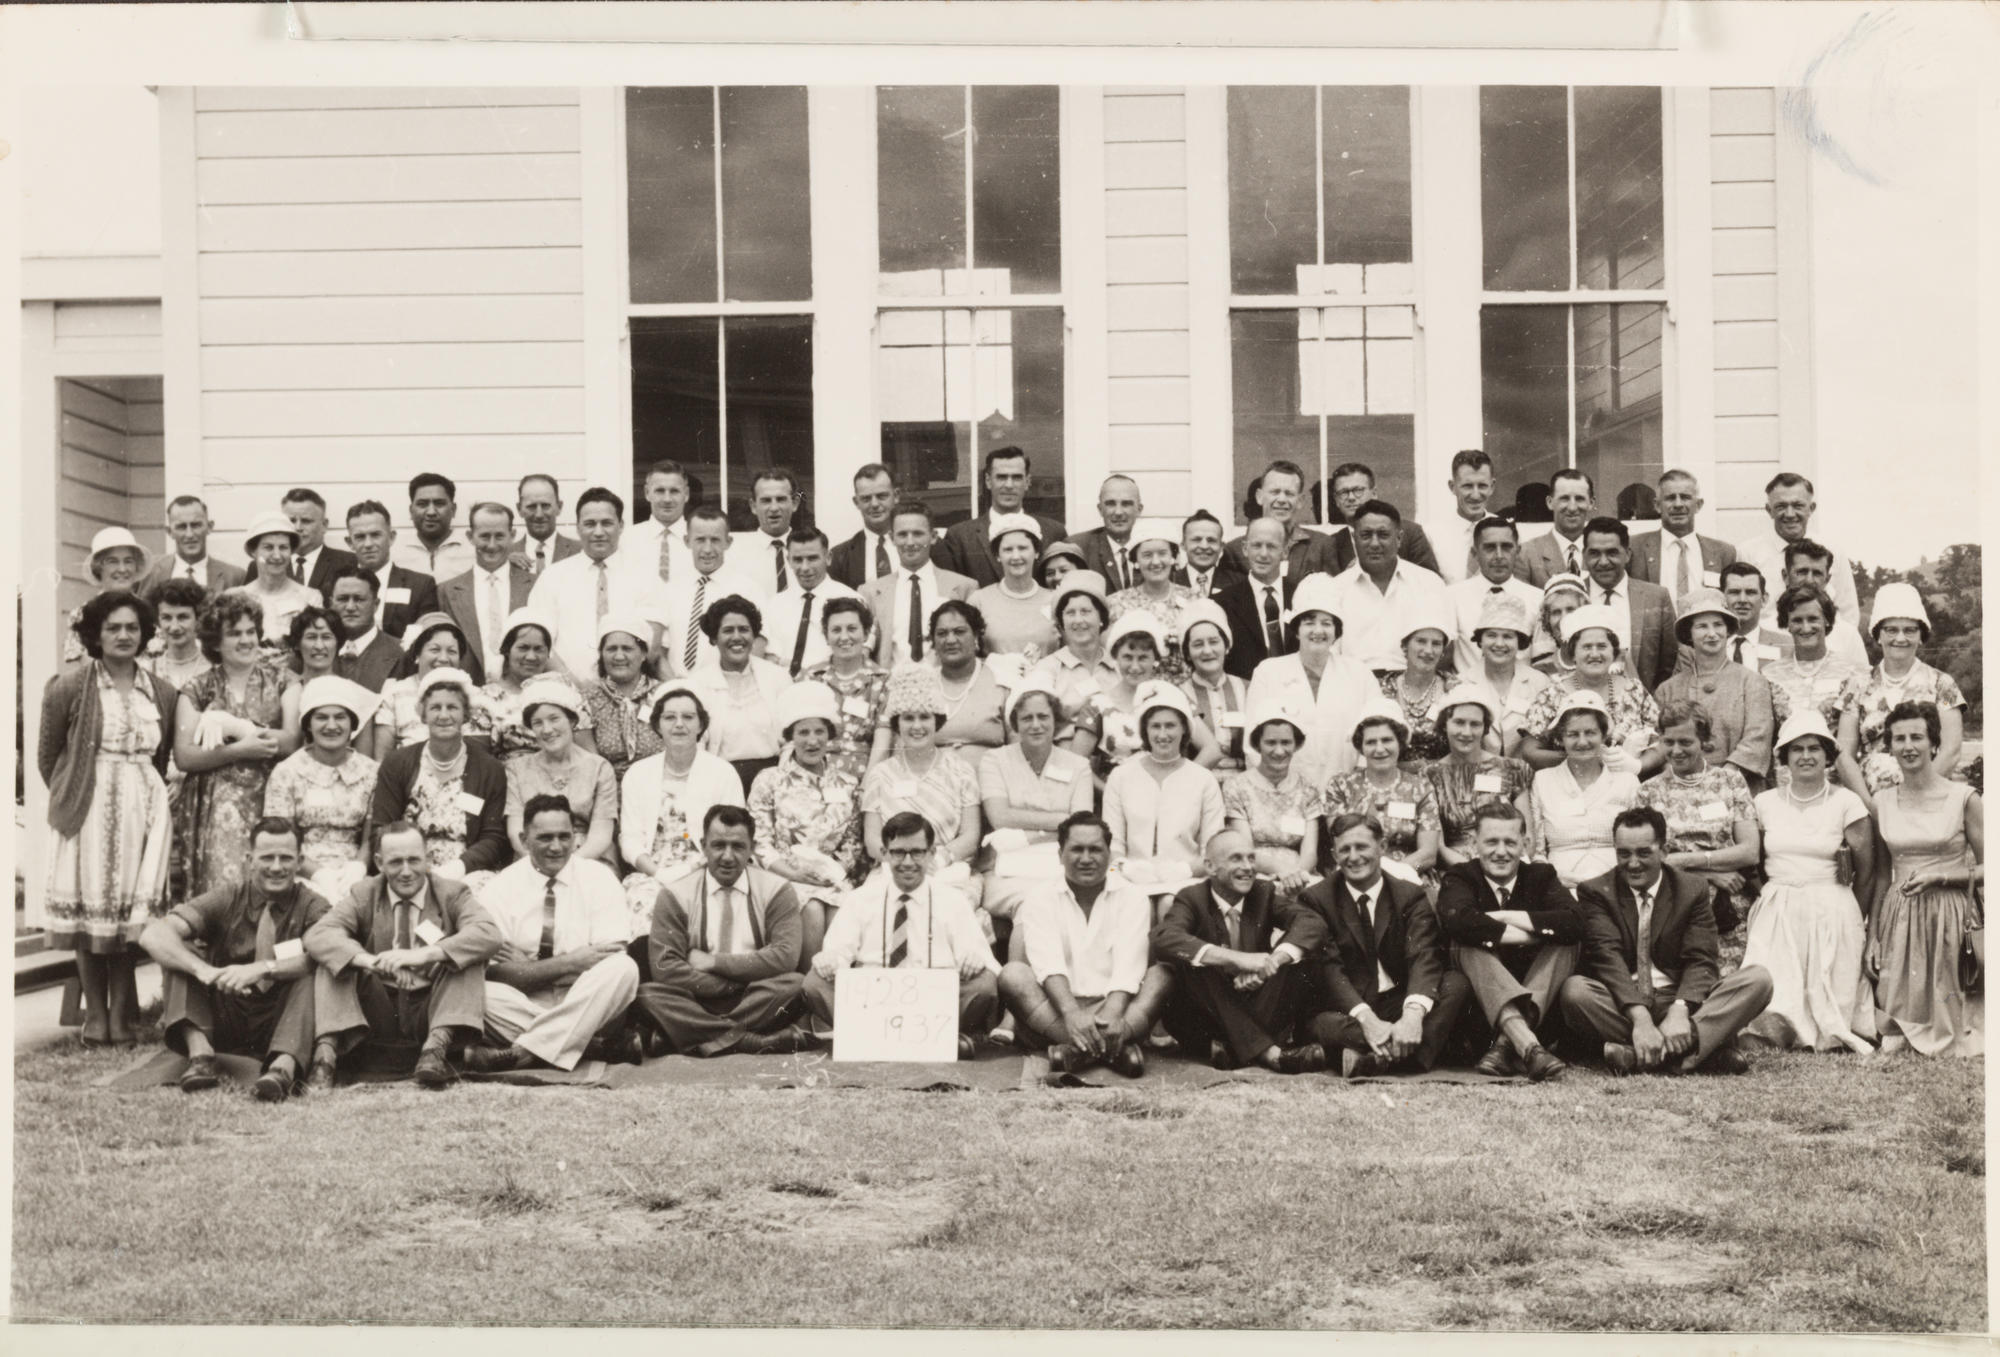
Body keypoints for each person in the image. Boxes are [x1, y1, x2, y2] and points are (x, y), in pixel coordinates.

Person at [38, 589, 179, 1044]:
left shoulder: (160, 691)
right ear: (95, 634)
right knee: (91, 918)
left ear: (144, 635)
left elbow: (160, 759)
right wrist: (76, 795)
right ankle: (96, 1016)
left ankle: (124, 1015)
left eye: (132, 628)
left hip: (144, 809)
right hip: (87, 809)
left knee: (129, 916)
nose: (123, 635)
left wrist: (142, 797)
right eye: (113, 627)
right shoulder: (69, 685)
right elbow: (48, 757)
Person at [1559, 808, 1773, 1076]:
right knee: (1575, 991)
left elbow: (1701, 958)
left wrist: (1681, 1010)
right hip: (1624, 1002)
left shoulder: (1691, 888)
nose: (1633, 863)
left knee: (1758, 980)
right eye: (1624, 853)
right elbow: (1607, 957)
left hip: (1679, 999)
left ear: (1664, 850)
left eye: (1644, 853)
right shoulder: (1596, 891)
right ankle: (1692, 1053)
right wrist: (1640, 1019)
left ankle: (1638, 1055)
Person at [140, 817, 334, 1100]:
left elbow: (325, 954)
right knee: (180, 956)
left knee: (311, 974)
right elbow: (153, 935)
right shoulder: (228, 896)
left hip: (281, 1019)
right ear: (249, 859)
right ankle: (200, 1056)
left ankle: (282, 1068)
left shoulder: (313, 904)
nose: (277, 867)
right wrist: (203, 970)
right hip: (226, 1011)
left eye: (286, 858)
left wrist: (264, 969)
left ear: (300, 861)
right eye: (267, 858)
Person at [304, 820, 504, 1088]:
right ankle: (324, 1059)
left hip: (431, 1009)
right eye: (396, 862)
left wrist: (425, 955)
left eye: (414, 860)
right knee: (334, 960)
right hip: (379, 1007)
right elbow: (318, 935)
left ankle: (435, 1049)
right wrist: (371, 961)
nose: (406, 871)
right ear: (379, 862)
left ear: (429, 859)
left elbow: (489, 933)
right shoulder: (365, 892)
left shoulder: (451, 893)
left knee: (468, 956)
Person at [465, 794, 643, 1074]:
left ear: (575, 838)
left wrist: (527, 969)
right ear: (524, 840)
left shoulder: (599, 878)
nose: (557, 847)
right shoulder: (499, 889)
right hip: (524, 1004)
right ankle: (594, 1046)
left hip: (587, 1000)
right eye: (545, 838)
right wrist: (571, 962)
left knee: (623, 969)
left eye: (564, 837)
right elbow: (493, 972)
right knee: (477, 993)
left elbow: (610, 959)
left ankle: (523, 1053)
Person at [805, 812, 1002, 1056]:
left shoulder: (952, 900)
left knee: (984, 984)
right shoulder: (861, 899)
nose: (907, 862)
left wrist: (973, 959)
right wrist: (829, 959)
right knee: (815, 981)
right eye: (898, 852)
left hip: (933, 1003)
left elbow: (982, 959)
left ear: (931, 854)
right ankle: (881, 1037)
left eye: (917, 852)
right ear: (885, 854)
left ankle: (930, 1037)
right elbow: (837, 952)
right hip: (873, 1001)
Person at [1739, 712, 1878, 1053]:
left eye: (1814, 748)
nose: (1806, 756)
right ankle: (1776, 1031)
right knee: (1774, 985)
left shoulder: (1848, 803)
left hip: (1833, 903)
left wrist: (1847, 915)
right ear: (1783, 757)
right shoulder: (1764, 803)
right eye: (1796, 749)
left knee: (1832, 990)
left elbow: (1867, 872)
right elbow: (1754, 861)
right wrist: (1771, 896)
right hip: (1778, 905)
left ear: (1828, 755)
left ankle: (1831, 1029)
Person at [999, 812, 1175, 1077]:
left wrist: (1114, 1014)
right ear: (1060, 855)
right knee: (1012, 975)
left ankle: (1074, 1053)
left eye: (1095, 850)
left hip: (1117, 1011)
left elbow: (1130, 966)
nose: (1086, 859)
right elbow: (1048, 965)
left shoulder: (1133, 897)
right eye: (1076, 850)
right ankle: (1114, 1051)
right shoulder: (1038, 897)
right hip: (1057, 1012)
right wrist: (1071, 1013)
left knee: (1162, 975)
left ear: (1110, 855)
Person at [1297, 814, 1472, 1077]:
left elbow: (1423, 956)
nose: (1353, 857)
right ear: (1334, 855)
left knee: (1455, 984)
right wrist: (1367, 1020)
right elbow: (1329, 970)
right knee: (1323, 1024)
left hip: (1397, 1001)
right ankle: (1402, 1054)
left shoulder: (1409, 895)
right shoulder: (1316, 899)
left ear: (1383, 847)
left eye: (1362, 847)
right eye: (1344, 849)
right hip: (1347, 1008)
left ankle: (1373, 1057)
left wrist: (1412, 1016)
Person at [633, 805, 812, 1056]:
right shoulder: (675, 894)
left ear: (751, 848)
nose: (728, 857)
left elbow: (785, 957)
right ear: (703, 845)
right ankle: (749, 1041)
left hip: (753, 996)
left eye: (738, 847)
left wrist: (713, 962)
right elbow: (665, 969)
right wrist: (730, 985)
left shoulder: (777, 890)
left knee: (795, 985)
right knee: (647, 994)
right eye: (718, 845)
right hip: (697, 996)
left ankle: (687, 1036)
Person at [1153, 828, 1327, 1072]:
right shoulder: (1192, 898)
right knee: (1194, 963)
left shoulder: (1263, 893)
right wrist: (1235, 960)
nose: (1248, 867)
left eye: (1251, 858)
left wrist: (1270, 964)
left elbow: (1311, 923)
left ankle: (1234, 1051)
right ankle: (1271, 1054)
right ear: (1211, 867)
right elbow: (1163, 937)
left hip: (1257, 1005)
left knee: (1302, 954)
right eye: (1236, 858)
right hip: (1209, 1014)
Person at [1868, 702, 1984, 1057]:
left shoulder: (1964, 798)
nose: (1908, 746)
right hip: (1900, 917)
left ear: (1934, 743)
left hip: (1951, 914)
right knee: (1895, 1035)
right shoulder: (1881, 802)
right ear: (1890, 747)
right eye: (1899, 738)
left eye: (1917, 736)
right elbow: (1879, 876)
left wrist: (1942, 877)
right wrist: (1873, 937)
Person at [1433, 802, 1578, 1082]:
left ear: (1525, 843)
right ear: (1474, 843)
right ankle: (1527, 1046)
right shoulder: (1460, 875)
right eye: (1491, 842)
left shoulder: (1540, 875)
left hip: (1541, 1012)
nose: (1501, 852)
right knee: (1464, 945)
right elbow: (1457, 920)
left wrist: (1504, 916)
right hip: (1480, 1018)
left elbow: (1574, 921)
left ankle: (1507, 1043)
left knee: (1567, 944)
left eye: (1510, 842)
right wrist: (1533, 931)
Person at [175, 592, 304, 898]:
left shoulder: (285, 680)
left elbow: (291, 740)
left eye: (251, 632)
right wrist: (239, 750)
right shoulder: (198, 687)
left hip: (270, 799)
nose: (246, 640)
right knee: (223, 889)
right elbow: (184, 756)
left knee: (271, 880)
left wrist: (239, 729)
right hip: (216, 806)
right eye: (234, 633)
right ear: (215, 642)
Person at [750, 681, 865, 958]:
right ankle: (807, 991)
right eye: (803, 732)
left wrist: (834, 872)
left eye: (819, 732)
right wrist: (795, 874)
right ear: (791, 736)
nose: (812, 741)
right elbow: (759, 841)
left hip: (832, 879)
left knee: (843, 910)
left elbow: (853, 840)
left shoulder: (847, 783)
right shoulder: (770, 780)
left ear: (829, 736)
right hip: (783, 876)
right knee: (812, 909)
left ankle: (835, 992)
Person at [368, 667, 511, 885]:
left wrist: (458, 868)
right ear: (422, 714)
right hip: (406, 869)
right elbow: (382, 827)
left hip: (466, 873)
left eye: (452, 707)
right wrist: (410, 866)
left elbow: (493, 838)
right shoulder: (397, 763)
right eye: (435, 707)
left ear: (466, 715)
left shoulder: (490, 768)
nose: (444, 715)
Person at [619, 686, 747, 925]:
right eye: (670, 717)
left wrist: (688, 871)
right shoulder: (638, 774)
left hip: (710, 870)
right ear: (657, 725)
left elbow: (733, 835)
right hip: (652, 873)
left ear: (701, 725)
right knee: (643, 905)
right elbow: (630, 840)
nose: (679, 724)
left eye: (688, 717)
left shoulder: (722, 772)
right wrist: (659, 874)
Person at [1633, 700, 1762, 935]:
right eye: (1668, 742)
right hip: (1673, 904)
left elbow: (1749, 851)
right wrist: (1709, 873)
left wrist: (1681, 860)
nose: (1676, 750)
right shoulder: (1647, 791)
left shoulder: (1730, 781)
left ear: (1704, 742)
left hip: (1729, 907)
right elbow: (1645, 859)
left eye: (1685, 742)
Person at [862, 664, 984, 899]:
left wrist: (938, 859)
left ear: (936, 721)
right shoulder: (881, 774)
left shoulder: (960, 770)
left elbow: (970, 835)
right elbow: (872, 839)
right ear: (897, 724)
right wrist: (904, 862)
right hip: (893, 868)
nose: (917, 726)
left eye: (924, 717)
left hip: (947, 869)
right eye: (908, 718)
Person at [1245, 573, 1377, 789]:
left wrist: (1355, 788)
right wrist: (1278, 789)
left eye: (1326, 623)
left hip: (1349, 795)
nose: (1318, 630)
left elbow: (1376, 733)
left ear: (1336, 631)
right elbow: (1252, 743)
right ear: (1296, 630)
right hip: (1285, 794)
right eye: (1309, 622)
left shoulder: (1360, 674)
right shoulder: (1268, 672)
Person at [978, 682, 1095, 927]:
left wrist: (1024, 836)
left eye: (1043, 716)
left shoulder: (1078, 766)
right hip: (1006, 872)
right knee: (1035, 905)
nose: (1035, 725)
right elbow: (999, 817)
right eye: (1026, 718)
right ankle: (1019, 968)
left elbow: (1082, 824)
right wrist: (1062, 820)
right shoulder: (994, 760)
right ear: (1015, 724)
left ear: (1056, 720)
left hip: (1061, 867)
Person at [1102, 681, 1227, 904]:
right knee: (1138, 906)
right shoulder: (1121, 776)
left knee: (1170, 905)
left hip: (1189, 881)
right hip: (1131, 879)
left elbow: (1213, 849)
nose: (1162, 734)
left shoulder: (1203, 780)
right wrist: (1126, 868)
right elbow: (1113, 843)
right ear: (1144, 730)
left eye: (1170, 726)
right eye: (1155, 726)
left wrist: (1184, 870)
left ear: (1184, 729)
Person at [1838, 582, 1965, 796]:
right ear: (1878, 635)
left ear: (1920, 635)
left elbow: (1951, 751)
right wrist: (1868, 804)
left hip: (1929, 799)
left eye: (1910, 630)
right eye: (1891, 630)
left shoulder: (1942, 684)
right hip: (1871, 802)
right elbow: (1844, 755)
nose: (1900, 638)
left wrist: (1915, 796)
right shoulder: (1856, 685)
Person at [530, 486, 668, 680]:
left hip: (629, 695)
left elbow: (651, 647)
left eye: (607, 523)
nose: (598, 532)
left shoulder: (645, 577)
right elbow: (541, 643)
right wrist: (576, 689)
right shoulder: (552, 578)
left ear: (621, 525)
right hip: (566, 695)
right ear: (577, 527)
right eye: (589, 524)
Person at [263, 675, 381, 901]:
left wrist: (358, 868)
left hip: (354, 875)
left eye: (340, 717)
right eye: (321, 718)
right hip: (299, 872)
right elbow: (280, 837)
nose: (331, 726)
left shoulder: (371, 773)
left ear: (352, 723)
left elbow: (371, 836)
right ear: (308, 723)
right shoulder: (287, 772)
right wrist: (317, 874)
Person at [1655, 587, 1777, 792]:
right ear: (1689, 634)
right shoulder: (1668, 689)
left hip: (1740, 787)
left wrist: (1721, 779)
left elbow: (1758, 738)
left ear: (1728, 630)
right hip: (1681, 789)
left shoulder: (1752, 682)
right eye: (1702, 626)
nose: (1712, 634)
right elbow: (1660, 744)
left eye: (1718, 625)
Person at [1517, 604, 1662, 776]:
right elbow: (1530, 750)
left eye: (1602, 646)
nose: (1594, 654)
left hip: (1630, 787)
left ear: (1613, 652)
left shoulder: (1634, 690)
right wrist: (1580, 759)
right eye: (1586, 647)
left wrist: (1638, 765)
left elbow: (1662, 740)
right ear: (1573, 653)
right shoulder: (1553, 694)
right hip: (1569, 787)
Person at [1530, 689, 1642, 889]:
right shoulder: (1543, 780)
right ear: (1560, 738)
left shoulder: (1627, 782)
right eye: (1573, 734)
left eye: (1590, 733)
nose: (1582, 742)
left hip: (1618, 887)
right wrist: (1552, 880)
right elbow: (1537, 853)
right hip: (1561, 887)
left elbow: (1640, 846)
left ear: (1603, 735)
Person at [1324, 500, 1451, 675]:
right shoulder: (1336, 589)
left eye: (1383, 535)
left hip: (1414, 686)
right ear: (1354, 539)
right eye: (1366, 535)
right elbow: (1330, 656)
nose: (1374, 544)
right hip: (1354, 686)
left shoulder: (1428, 583)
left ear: (1398, 538)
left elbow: (1446, 648)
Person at [1323, 700, 1442, 883]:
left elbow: (1428, 855)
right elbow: (1341, 844)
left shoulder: (1421, 787)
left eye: (1387, 740)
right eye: (1371, 742)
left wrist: (1392, 873)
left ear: (1400, 743)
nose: (1379, 749)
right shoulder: (1340, 786)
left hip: (1410, 875)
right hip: (1354, 874)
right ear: (1361, 747)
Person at [504, 677, 617, 866]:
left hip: (589, 858)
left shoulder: (599, 767)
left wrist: (567, 866)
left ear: (572, 721)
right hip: (533, 858)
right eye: (537, 723)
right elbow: (516, 831)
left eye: (554, 719)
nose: (547, 729)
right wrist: (542, 863)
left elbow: (602, 835)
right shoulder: (517, 768)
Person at [683, 594, 791, 791]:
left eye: (744, 630)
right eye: (727, 631)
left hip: (775, 779)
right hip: (720, 780)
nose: (737, 637)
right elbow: (696, 745)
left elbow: (791, 737)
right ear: (714, 638)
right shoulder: (697, 683)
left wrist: (781, 779)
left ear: (754, 635)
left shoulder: (777, 678)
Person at [1425, 686, 1535, 869]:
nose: (1467, 732)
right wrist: (1475, 871)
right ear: (1445, 724)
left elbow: (1527, 838)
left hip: (1508, 865)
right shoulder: (1431, 775)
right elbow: (1438, 845)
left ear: (1485, 728)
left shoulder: (1512, 769)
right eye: (1459, 722)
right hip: (1458, 869)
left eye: (1475, 724)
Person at [1737, 472, 1859, 631]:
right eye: (1781, 506)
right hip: (1767, 648)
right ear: (1769, 510)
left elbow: (1848, 613)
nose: (1789, 514)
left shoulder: (1833, 551)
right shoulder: (1747, 553)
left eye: (1798, 506)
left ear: (1811, 508)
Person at [859, 500, 975, 667]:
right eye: (902, 534)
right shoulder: (870, 592)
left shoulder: (964, 587)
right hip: (891, 686)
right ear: (892, 538)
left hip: (946, 686)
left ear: (933, 536)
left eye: (918, 533)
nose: (910, 542)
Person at [1221, 706, 1322, 897]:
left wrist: (1296, 877)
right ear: (1257, 745)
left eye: (1286, 742)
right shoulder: (1237, 786)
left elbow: (1309, 853)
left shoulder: (1308, 789)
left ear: (1297, 745)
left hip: (1300, 876)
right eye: (1270, 742)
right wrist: (1281, 871)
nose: (1279, 750)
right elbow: (1244, 849)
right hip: (1251, 872)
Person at [932, 447, 1067, 589]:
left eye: (1016, 477)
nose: (1009, 485)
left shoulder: (1053, 532)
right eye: (1001, 477)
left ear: (1027, 481)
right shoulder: (960, 536)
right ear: (988, 481)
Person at [1576, 516, 1680, 692]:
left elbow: (1671, 663)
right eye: (1594, 553)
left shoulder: (1656, 597)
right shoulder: (1573, 598)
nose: (1603, 562)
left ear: (1628, 554)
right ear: (1584, 556)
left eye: (1612, 552)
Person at [438, 502, 533, 680]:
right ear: (470, 536)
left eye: (499, 536)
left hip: (522, 690)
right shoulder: (447, 591)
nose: (491, 545)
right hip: (467, 691)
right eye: (484, 536)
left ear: (512, 536)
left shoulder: (534, 585)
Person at [369, 612, 488, 756]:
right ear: (417, 655)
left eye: (452, 651)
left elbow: (480, 755)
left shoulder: (475, 695)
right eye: (434, 650)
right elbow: (382, 758)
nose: (444, 658)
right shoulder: (394, 694)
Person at [1763, 584, 1864, 752]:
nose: (1806, 627)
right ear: (1787, 624)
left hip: (1835, 774)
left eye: (1812, 619)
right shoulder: (1769, 675)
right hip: (1783, 775)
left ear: (1826, 620)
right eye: (1797, 620)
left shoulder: (1851, 673)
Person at [802, 597, 893, 782]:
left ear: (866, 634)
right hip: (815, 774)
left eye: (852, 629)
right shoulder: (811, 678)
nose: (844, 637)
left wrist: (866, 788)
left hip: (865, 775)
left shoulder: (883, 680)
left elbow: (882, 743)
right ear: (826, 636)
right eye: (836, 630)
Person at [1025, 570, 1118, 741]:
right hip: (1066, 756)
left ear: (1101, 618)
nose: (1078, 620)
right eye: (1070, 613)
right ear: (1061, 622)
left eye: (1085, 611)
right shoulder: (1048, 668)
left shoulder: (1118, 665)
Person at [573, 612, 667, 782]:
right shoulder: (587, 699)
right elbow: (590, 762)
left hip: (658, 785)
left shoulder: (664, 695)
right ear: (601, 654)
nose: (619, 656)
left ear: (644, 654)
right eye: (611, 649)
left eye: (627, 649)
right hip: (607, 789)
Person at [1447, 516, 1544, 675]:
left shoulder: (1538, 599)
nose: (1499, 555)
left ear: (1517, 551)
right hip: (1468, 692)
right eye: (1490, 548)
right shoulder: (1452, 597)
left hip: (1522, 693)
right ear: (1475, 553)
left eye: (1506, 547)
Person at [759, 527, 859, 677]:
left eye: (812, 558)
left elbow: (858, 656)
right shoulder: (774, 605)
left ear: (828, 558)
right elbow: (768, 656)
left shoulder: (853, 601)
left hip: (832, 689)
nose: (805, 568)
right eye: (798, 560)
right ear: (789, 561)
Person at [1458, 593, 1547, 755]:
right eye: (1491, 635)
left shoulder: (1539, 683)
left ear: (1519, 641)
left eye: (1507, 636)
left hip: (1528, 776)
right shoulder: (1462, 684)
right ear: (1480, 640)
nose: (1499, 644)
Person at [1219, 461, 1337, 581]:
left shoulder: (1322, 546)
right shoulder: (1235, 550)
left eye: (1289, 493)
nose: (1281, 499)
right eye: (1275, 492)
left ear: (1300, 501)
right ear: (1259, 496)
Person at [1319, 462, 1443, 575]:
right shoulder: (1331, 544)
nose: (1351, 497)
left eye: (1358, 490)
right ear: (1336, 500)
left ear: (1374, 493)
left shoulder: (1410, 533)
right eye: (1344, 492)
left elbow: (1431, 582)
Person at [1628, 469, 1736, 598]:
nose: (1678, 504)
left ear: (1698, 505)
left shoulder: (1724, 552)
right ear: (1657, 505)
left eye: (1685, 497)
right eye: (1670, 498)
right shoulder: (1633, 547)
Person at [968, 513, 1060, 663]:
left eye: (1023, 548)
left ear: (1036, 552)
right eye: (1008, 549)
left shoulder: (1055, 599)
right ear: (997, 555)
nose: (1016, 556)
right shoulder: (979, 600)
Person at [341, 499, 439, 641]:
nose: (368, 544)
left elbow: (428, 639)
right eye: (360, 537)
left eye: (375, 535)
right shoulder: (336, 586)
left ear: (391, 537)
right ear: (350, 543)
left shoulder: (420, 585)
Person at [1214, 520, 1297, 683]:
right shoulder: (1223, 603)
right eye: (1257, 545)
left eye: (1271, 546)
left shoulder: (1300, 596)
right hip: (1246, 694)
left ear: (1285, 551)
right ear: (1245, 548)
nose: (1263, 554)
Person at [1108, 532, 1201, 677]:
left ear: (1173, 557)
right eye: (1147, 555)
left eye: (1162, 553)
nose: (1156, 562)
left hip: (1186, 689)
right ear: (1136, 561)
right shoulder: (1118, 603)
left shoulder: (1193, 600)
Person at [480, 608, 565, 767]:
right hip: (507, 782)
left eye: (539, 649)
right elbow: (479, 759)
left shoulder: (563, 692)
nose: (531, 657)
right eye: (523, 648)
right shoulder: (485, 698)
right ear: (507, 650)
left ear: (548, 654)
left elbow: (585, 752)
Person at [60, 528, 154, 667]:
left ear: (136, 566)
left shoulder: (149, 612)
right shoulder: (82, 614)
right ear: (98, 568)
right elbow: (86, 668)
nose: (122, 569)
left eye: (128, 561)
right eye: (113, 561)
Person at [1178, 601, 1248, 776]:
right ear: (1187, 652)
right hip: (1197, 784)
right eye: (1198, 644)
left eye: (1214, 641)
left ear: (1226, 645)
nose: (1207, 650)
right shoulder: (1178, 694)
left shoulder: (1249, 688)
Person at [233, 512, 323, 648]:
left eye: (283, 547)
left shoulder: (310, 597)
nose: (277, 555)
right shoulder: (236, 598)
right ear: (253, 551)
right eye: (268, 547)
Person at [1381, 609, 1456, 763]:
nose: (1428, 650)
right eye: (1421, 641)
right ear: (1405, 646)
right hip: (1392, 779)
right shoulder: (1384, 687)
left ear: (1442, 651)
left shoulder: (1455, 690)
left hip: (1442, 778)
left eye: (1436, 644)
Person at [141, 495, 246, 599]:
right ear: (169, 532)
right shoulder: (149, 572)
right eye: (181, 527)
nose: (189, 534)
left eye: (196, 525)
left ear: (209, 527)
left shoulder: (235, 576)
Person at [1421, 449, 1499, 585]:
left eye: (1482, 486)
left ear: (1492, 487)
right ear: (1452, 487)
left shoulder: (1506, 530)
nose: (1475, 495)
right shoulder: (1432, 534)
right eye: (1467, 486)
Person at [326, 566, 405, 694]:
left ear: (376, 605)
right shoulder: (315, 650)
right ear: (331, 603)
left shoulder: (401, 653)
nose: (350, 607)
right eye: (343, 599)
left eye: (359, 599)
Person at [726, 469, 806, 595]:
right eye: (766, 500)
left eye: (781, 499)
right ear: (753, 506)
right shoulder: (734, 554)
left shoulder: (808, 551)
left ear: (795, 503)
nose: (774, 508)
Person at [1516, 467, 1597, 586]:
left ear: (1591, 503)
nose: (1572, 507)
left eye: (1579, 499)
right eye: (1564, 499)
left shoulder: (1604, 550)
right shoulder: (1526, 553)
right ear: (1550, 502)